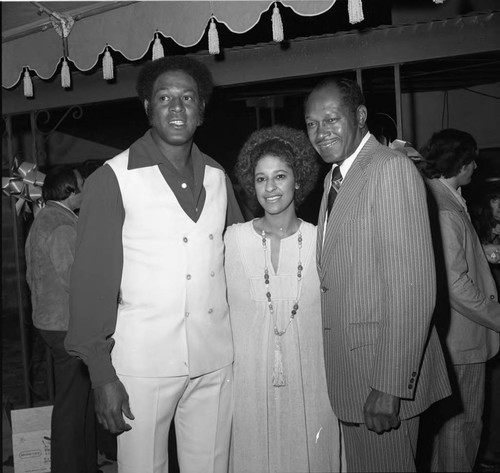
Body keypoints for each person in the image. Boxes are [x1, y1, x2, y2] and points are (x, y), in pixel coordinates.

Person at [65, 56, 243, 473]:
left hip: (214, 359)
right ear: (147, 106)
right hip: (141, 368)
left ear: (202, 110)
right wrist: (101, 373)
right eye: (164, 97)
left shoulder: (218, 176)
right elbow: (91, 283)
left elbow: (238, 259)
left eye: (187, 98)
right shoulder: (114, 177)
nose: (177, 108)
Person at [304, 77, 451, 472]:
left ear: (361, 116)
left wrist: (388, 385)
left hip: (380, 380)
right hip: (355, 377)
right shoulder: (334, 177)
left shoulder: (390, 169)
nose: (321, 132)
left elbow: (414, 290)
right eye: (312, 124)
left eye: (331, 119)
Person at [225, 125, 344, 473]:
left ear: (298, 179)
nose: (270, 188)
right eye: (261, 179)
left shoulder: (322, 239)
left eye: (279, 176)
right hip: (248, 388)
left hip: (312, 385)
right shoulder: (232, 240)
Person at [419, 129, 500, 472]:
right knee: (463, 430)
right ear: (461, 163)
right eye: (472, 161)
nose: (476, 168)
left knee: (453, 431)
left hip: (455, 342)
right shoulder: (445, 208)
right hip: (462, 343)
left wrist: (482, 251)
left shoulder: (444, 197)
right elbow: (456, 286)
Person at [25, 167, 98, 473]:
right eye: (83, 185)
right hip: (65, 325)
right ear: (70, 191)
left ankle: (85, 464)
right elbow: (76, 280)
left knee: (79, 401)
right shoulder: (62, 226)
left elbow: (32, 276)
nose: (86, 190)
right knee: (71, 407)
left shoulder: (44, 218)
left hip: (52, 322)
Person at [474, 185, 500, 473]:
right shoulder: (476, 232)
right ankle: (490, 452)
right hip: (487, 321)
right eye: (495, 199)